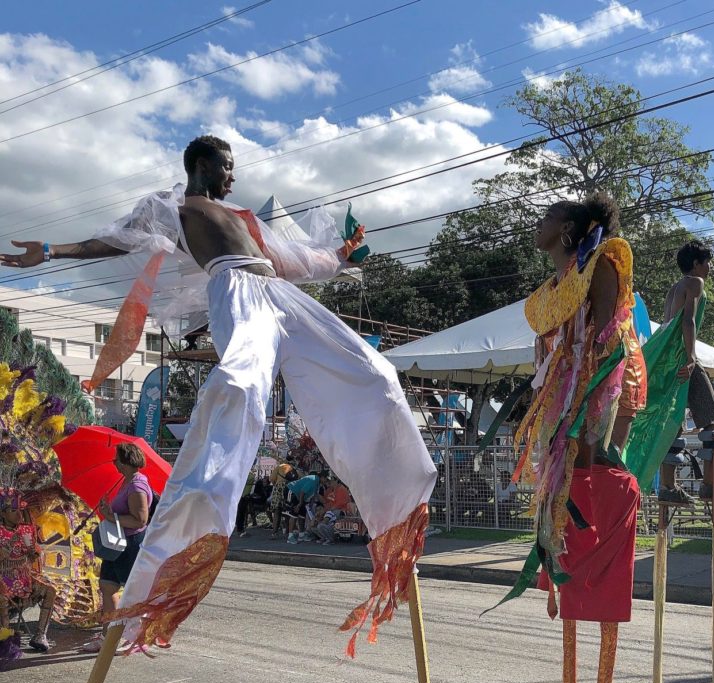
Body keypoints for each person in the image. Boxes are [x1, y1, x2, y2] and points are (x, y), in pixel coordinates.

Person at [1, 135, 436, 652]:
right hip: (233, 290)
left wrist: (342, 254)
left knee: (377, 375)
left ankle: (400, 503)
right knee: (238, 387)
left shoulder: (244, 218)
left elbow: (297, 259)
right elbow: (116, 240)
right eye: (226, 167)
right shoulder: (175, 209)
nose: (233, 175)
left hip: (278, 290)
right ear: (201, 165)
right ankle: (188, 534)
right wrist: (51, 250)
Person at [510, 192, 644, 683]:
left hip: (586, 443)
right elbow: (551, 349)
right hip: (565, 447)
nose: (534, 228)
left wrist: (583, 436)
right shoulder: (556, 285)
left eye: (542, 219)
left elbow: (610, 357)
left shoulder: (605, 268)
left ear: (566, 229)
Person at [638, 241, 714, 505]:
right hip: (682, 359)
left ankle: (668, 486)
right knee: (712, 417)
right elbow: (688, 320)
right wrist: (690, 357)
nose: (709, 267)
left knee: (673, 421)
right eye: (707, 262)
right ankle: (710, 483)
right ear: (696, 263)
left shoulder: (674, 288)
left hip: (668, 362)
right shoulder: (695, 283)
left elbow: (665, 326)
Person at [81, 443, 152, 654]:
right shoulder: (126, 482)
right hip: (116, 544)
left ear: (124, 461)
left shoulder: (137, 485)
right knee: (107, 587)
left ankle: (135, 636)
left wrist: (113, 517)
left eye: (116, 459)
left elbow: (140, 519)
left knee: (132, 593)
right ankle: (108, 637)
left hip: (130, 544)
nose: (113, 462)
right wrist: (107, 511)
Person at [0, 489, 57, 652]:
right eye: (13, 511)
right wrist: (12, 541)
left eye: (19, 510)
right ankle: (6, 639)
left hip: (25, 578)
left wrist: (34, 552)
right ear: (3, 514)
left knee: (50, 590)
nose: (18, 514)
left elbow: (35, 552)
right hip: (3, 578)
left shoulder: (26, 529)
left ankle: (40, 635)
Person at [284, 472, 320, 544]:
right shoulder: (313, 480)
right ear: (322, 478)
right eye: (326, 479)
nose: (327, 481)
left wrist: (311, 502)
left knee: (302, 514)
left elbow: (314, 493)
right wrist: (300, 503)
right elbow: (302, 492)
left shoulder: (317, 483)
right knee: (294, 514)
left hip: (300, 496)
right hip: (292, 491)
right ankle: (290, 537)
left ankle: (301, 535)